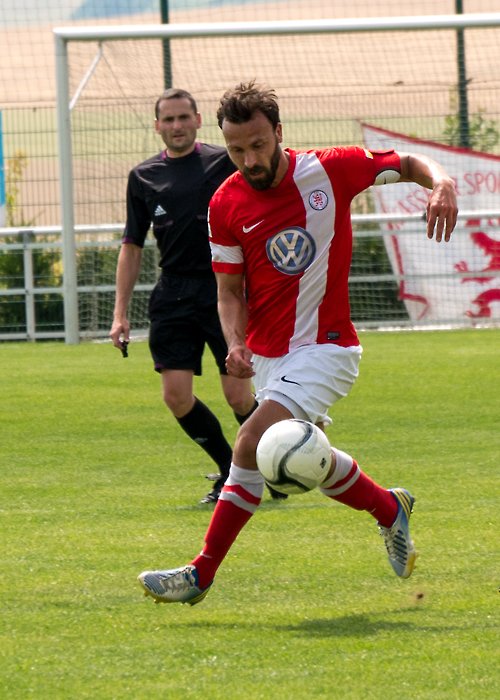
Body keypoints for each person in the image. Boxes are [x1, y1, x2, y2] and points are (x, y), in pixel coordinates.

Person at [137, 81, 458, 604]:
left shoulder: (330, 169)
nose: (248, 159)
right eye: (237, 149)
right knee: (303, 463)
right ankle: (389, 509)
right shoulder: (225, 203)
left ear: (279, 133)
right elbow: (229, 290)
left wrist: (440, 182)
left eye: (258, 145)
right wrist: (235, 342)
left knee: (250, 444)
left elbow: (408, 161)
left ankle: (200, 574)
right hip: (269, 355)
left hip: (327, 347)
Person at [110, 88, 283, 504]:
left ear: (198, 119)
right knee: (175, 395)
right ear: (157, 127)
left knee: (239, 394)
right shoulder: (143, 177)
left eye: (183, 117)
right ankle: (230, 471)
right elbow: (132, 246)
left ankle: (277, 462)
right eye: (168, 120)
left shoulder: (226, 161)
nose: (176, 126)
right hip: (172, 293)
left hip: (223, 290)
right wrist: (120, 313)